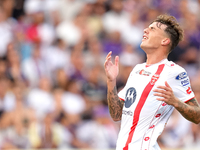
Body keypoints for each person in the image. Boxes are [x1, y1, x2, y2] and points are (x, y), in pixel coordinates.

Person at [104, 14, 200, 150]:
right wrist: (111, 82)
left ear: (165, 41)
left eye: (153, 29)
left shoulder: (174, 72)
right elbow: (116, 115)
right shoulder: (137, 69)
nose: (145, 30)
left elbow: (197, 115)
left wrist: (175, 102)